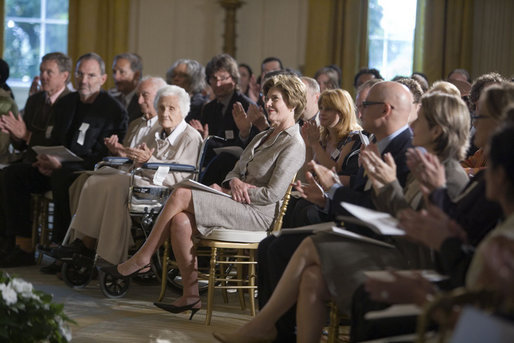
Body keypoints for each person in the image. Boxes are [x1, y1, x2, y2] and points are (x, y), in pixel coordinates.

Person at [101, 73, 306, 318]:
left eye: (275, 99)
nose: (267, 104)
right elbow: (234, 170)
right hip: (237, 202)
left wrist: (231, 191)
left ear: (292, 104)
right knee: (180, 221)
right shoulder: (262, 136)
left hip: (258, 214)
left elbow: (272, 194)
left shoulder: (294, 143)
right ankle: (190, 295)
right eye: (267, 98)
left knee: (181, 193)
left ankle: (142, 257)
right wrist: (235, 182)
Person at [0, 52, 127, 267]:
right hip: (54, 165)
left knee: (62, 177)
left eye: (91, 75)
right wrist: (46, 158)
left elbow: (106, 155)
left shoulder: (113, 110)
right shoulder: (67, 102)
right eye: (80, 75)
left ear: (102, 79)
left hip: (85, 171)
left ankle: (61, 247)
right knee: (12, 175)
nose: (84, 80)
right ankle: (23, 245)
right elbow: (54, 138)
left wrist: (61, 164)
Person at [52, 85, 203, 265]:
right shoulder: (156, 132)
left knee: (117, 185)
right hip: (143, 179)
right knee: (97, 179)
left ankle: (109, 255)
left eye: (171, 108)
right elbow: (139, 161)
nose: (164, 113)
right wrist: (139, 160)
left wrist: (148, 161)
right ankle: (84, 241)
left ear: (183, 111)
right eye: (161, 107)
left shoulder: (190, 137)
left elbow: (181, 178)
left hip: (167, 190)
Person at [364, 91, 470, 216]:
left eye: (419, 119)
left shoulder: (451, 178)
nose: (413, 125)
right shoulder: (427, 166)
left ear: (436, 131)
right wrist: (379, 183)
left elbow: (420, 229)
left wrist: (390, 183)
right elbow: (398, 211)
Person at [190, 54, 258, 185]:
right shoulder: (209, 108)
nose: (218, 83)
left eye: (223, 78)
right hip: (212, 161)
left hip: (238, 167)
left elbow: (254, 140)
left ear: (233, 79)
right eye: (213, 79)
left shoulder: (246, 105)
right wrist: (201, 137)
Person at [109, 53, 143, 123]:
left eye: (122, 72)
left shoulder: (143, 101)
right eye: (114, 72)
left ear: (136, 75)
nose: (116, 77)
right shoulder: (110, 98)